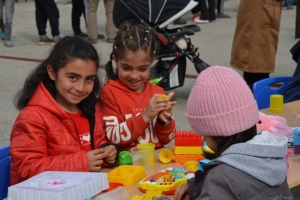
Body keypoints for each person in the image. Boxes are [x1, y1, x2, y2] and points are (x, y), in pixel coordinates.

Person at [156, 66, 293, 200]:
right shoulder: (273, 154)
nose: (203, 138)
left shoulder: (221, 177)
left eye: (204, 134)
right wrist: (196, 186)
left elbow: (227, 185)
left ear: (215, 133)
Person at [10, 36, 118, 185]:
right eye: (73, 77)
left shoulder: (92, 109)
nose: (80, 88)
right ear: (52, 73)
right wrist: (82, 163)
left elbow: (98, 141)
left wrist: (106, 152)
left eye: (89, 79)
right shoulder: (32, 118)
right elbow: (26, 170)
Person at [99, 23, 176, 151]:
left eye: (142, 69)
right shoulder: (109, 92)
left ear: (151, 62)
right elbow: (112, 138)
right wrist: (145, 117)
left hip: (157, 162)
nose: (134, 76)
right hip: (129, 166)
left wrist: (164, 122)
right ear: (116, 61)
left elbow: (167, 138)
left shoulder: (158, 92)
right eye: (127, 68)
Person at [230, 0, 282, 90]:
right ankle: (256, 101)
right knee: (257, 64)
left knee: (253, 66)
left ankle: (250, 98)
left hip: (260, 10)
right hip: (260, 11)